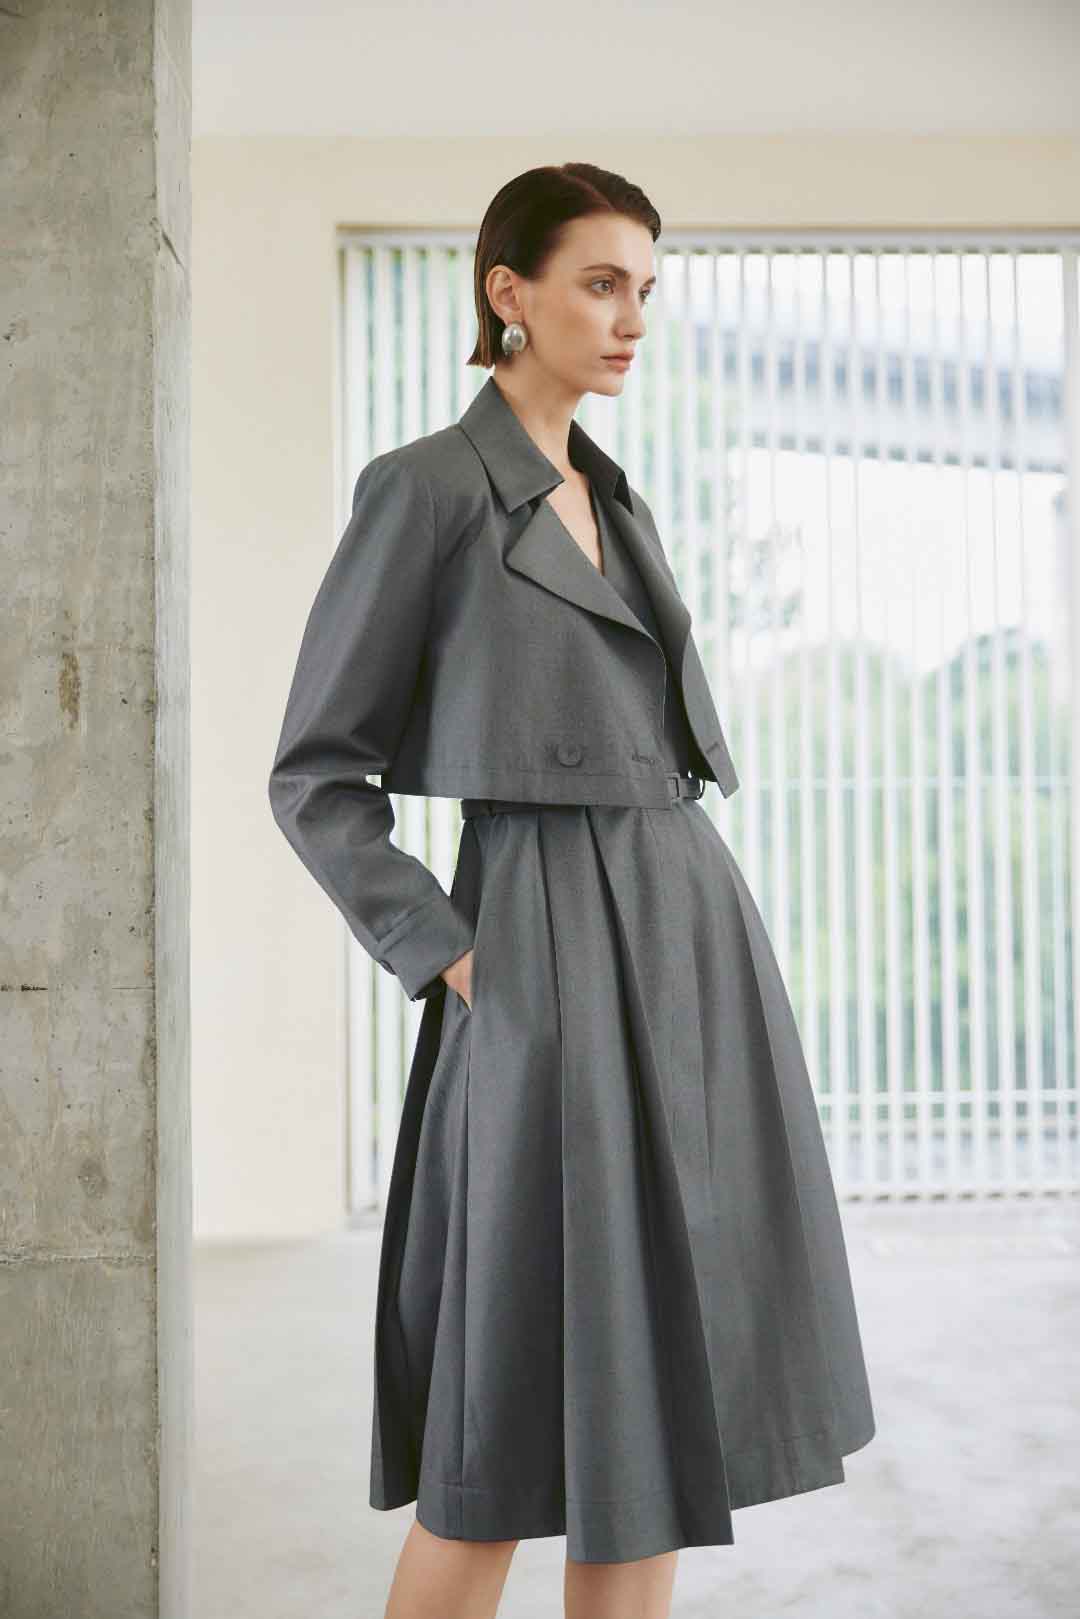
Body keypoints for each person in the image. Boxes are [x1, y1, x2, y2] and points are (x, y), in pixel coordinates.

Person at [268, 162, 875, 1619]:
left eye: (645, 289)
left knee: (655, 1404)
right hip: (537, 934)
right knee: (496, 1418)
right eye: (601, 284)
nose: (631, 320)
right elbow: (315, 774)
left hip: (684, 929)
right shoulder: (427, 488)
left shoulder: (613, 495)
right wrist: (454, 952)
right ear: (510, 293)